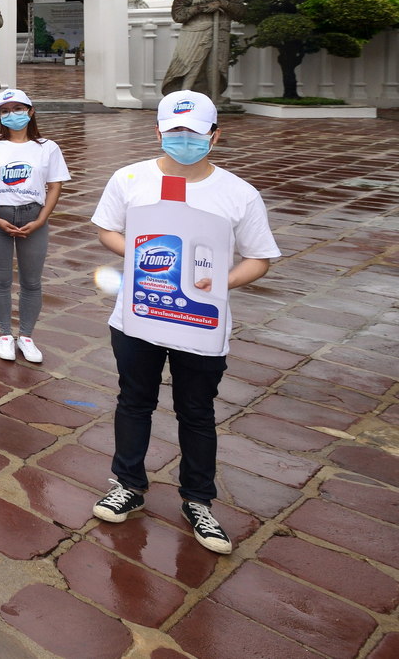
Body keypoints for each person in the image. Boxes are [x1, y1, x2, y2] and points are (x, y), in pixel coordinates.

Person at [89, 92, 277, 554]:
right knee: (134, 400)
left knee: (196, 411)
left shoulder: (237, 193)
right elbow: (106, 228)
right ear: (158, 131)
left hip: (201, 324)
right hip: (137, 316)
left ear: (214, 135)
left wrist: (216, 286)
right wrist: (139, 258)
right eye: (175, 132)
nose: (184, 140)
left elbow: (260, 258)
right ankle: (128, 484)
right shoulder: (130, 178)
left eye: (194, 133)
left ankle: (198, 500)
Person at [0, 88, 68, 364]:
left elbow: (55, 185)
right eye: (5, 111)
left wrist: (41, 219)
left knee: (31, 281)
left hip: (33, 216)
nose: (12, 115)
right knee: (0, 279)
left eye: (18, 109)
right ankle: (4, 334)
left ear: (30, 111)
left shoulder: (47, 147)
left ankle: (26, 335)